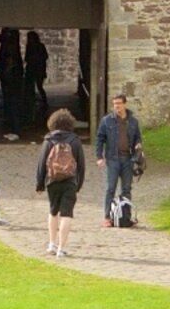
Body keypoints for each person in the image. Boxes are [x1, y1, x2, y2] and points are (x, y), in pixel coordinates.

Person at [33, 108, 87, 258]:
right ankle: (61, 248)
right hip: (70, 181)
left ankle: (51, 243)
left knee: (53, 211)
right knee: (67, 215)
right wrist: (79, 184)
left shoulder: (49, 140)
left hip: (52, 181)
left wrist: (40, 184)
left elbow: (42, 163)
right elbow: (81, 165)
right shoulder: (75, 141)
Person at [94, 91, 145, 230]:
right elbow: (99, 139)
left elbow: (138, 137)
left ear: (125, 104)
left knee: (126, 189)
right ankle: (107, 217)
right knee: (110, 188)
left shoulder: (133, 121)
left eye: (119, 104)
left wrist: (138, 145)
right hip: (112, 159)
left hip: (128, 159)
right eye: (115, 104)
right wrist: (99, 157)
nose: (117, 107)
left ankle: (126, 217)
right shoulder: (107, 121)